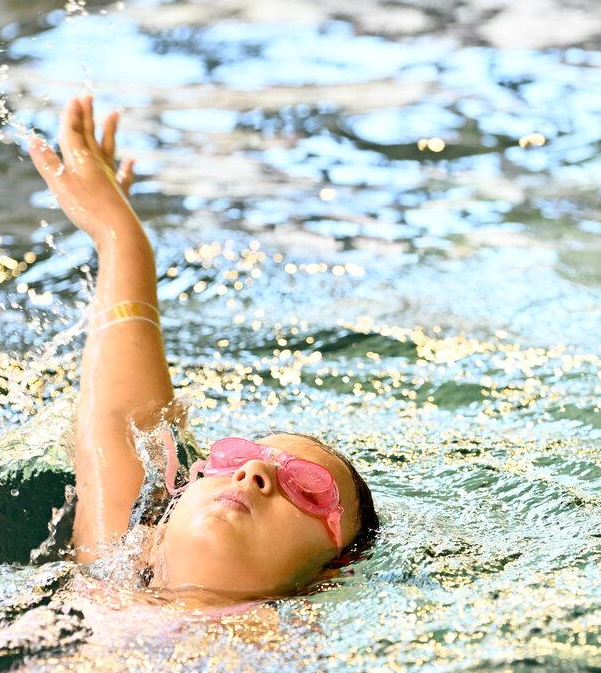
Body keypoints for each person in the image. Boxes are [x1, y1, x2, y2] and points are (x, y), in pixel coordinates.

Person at [25, 94, 378, 601]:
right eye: (234, 458)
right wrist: (120, 236)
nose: (254, 472)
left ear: (331, 574)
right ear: (155, 531)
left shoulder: (277, 656)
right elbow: (124, 421)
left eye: (309, 488)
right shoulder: (113, 571)